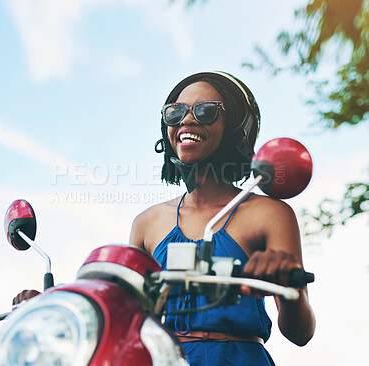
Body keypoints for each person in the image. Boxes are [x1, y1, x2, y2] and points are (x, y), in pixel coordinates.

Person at [129, 71, 315, 366]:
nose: (186, 121)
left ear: (237, 128)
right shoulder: (146, 222)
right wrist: (46, 304)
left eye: (206, 111)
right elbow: (129, 319)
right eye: (175, 112)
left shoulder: (270, 214)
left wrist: (289, 288)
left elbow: (301, 333)